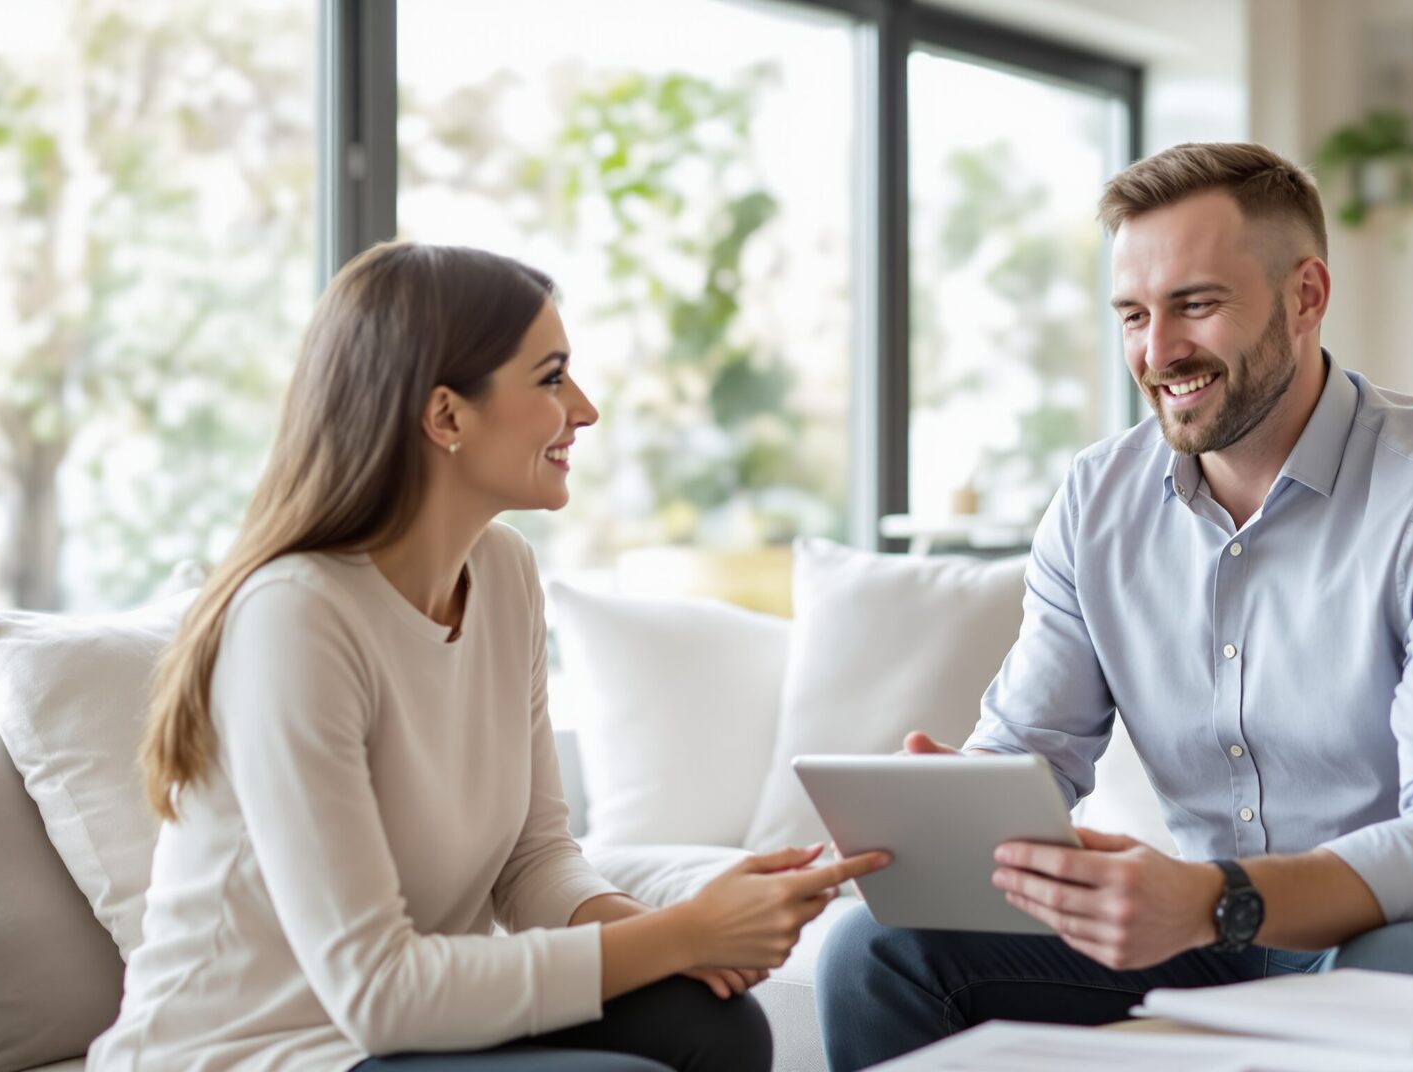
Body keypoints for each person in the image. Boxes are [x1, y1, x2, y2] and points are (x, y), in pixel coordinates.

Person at [816, 143, 1413, 1071]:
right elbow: (1030, 752)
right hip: (1227, 939)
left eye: (1196, 304)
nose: (1158, 353)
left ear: (1307, 295)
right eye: (1132, 315)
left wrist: (1210, 897)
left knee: (1396, 967)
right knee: (878, 954)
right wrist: (942, 823)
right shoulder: (1096, 499)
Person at [90, 242, 888, 1072]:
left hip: (404, 1034)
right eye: (551, 378)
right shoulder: (296, 618)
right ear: (446, 417)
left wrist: (697, 937)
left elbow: (533, 861)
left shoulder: (504, 575)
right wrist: (682, 930)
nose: (584, 409)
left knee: (712, 1022)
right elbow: (378, 991)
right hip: (259, 1051)